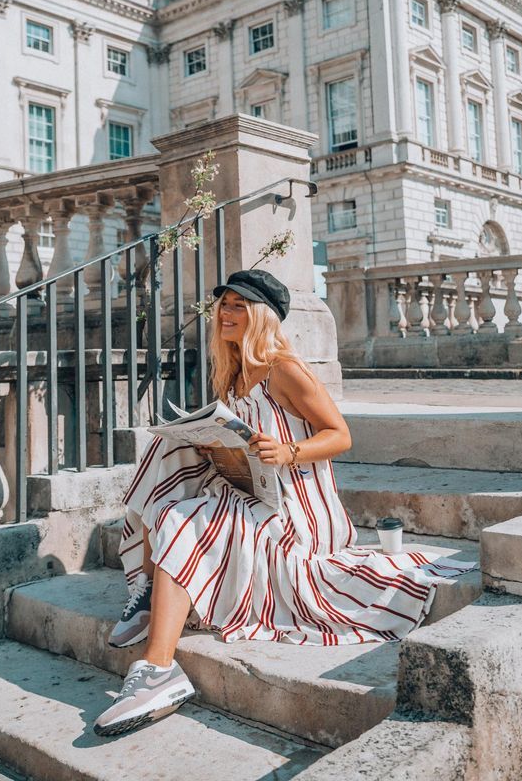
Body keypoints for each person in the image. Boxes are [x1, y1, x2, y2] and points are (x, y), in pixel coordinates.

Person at [93, 269, 475, 737]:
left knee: (181, 517)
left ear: (260, 316)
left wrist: (288, 450)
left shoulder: (284, 368)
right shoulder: (231, 371)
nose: (226, 312)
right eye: (224, 303)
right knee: (167, 448)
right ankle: (152, 592)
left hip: (295, 507)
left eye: (238, 305)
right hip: (252, 490)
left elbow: (341, 435)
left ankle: (158, 669)